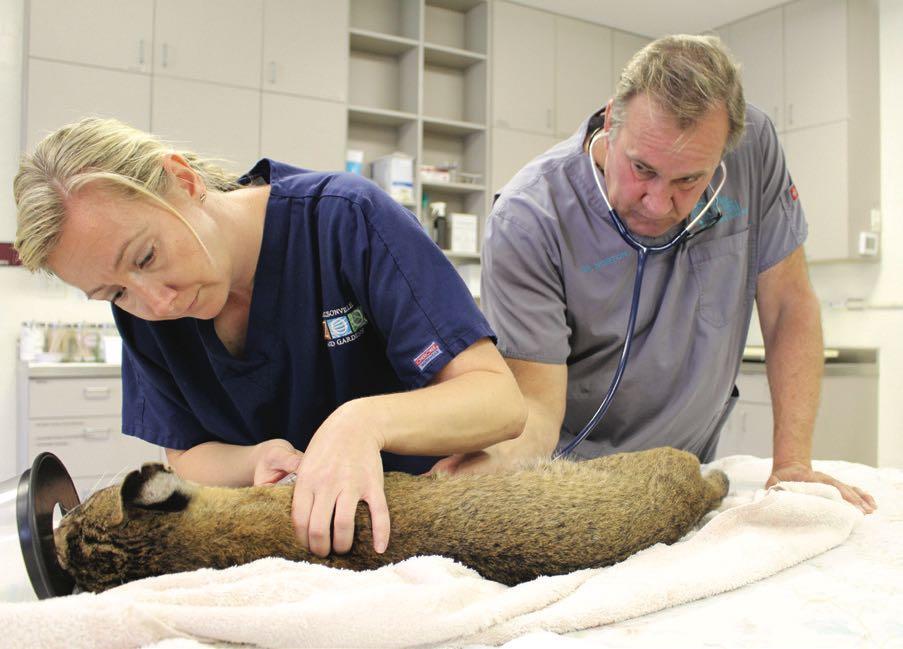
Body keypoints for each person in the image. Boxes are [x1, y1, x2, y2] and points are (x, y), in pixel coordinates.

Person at [13, 117, 527, 557]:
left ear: (182, 180)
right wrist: (254, 460)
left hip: (416, 531)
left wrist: (363, 424)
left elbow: (498, 401)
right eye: (115, 292)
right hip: (288, 553)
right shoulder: (142, 314)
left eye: (147, 257)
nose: (158, 304)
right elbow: (187, 455)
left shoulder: (345, 220)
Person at [443, 35, 875, 513]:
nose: (657, 202)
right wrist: (492, 466)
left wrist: (792, 464)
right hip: (574, 483)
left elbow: (789, 305)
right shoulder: (529, 219)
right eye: (642, 168)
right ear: (612, 121)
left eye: (689, 180)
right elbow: (537, 407)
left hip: (687, 476)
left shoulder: (754, 147)